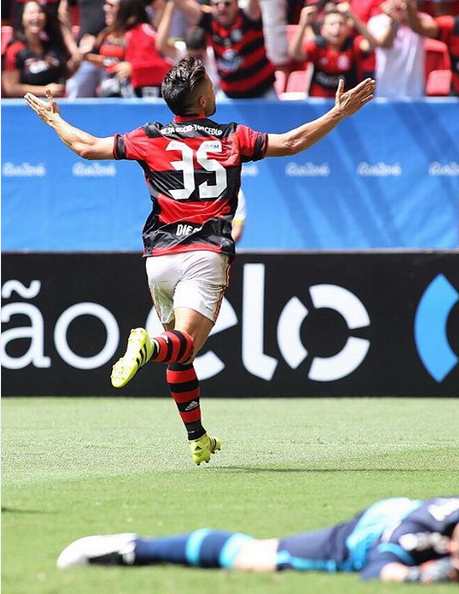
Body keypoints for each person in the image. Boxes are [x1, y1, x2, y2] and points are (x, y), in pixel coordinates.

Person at [25, 56, 375, 465]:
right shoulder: (233, 136)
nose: (214, 87)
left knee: (181, 353)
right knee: (182, 344)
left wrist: (53, 119)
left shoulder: (149, 135)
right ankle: (146, 345)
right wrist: (338, 112)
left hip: (159, 259)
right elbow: (293, 142)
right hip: (205, 253)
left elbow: (86, 147)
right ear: (205, 100)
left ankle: (197, 437)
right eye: (210, 82)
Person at [56, 496, 459, 583]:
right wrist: (424, 576)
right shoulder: (413, 533)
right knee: (252, 555)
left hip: (408, 508)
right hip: (367, 532)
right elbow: (377, 570)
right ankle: (134, 548)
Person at [171, 0, 278, 98]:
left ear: (236, 5)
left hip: (263, 92)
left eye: (227, 4)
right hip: (230, 96)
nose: (222, 8)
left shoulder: (249, 17)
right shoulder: (208, 22)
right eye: (216, 4)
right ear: (211, 7)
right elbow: (181, 4)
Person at [66, 0, 171, 98]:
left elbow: (163, 66)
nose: (106, 8)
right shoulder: (109, 34)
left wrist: (133, 68)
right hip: (113, 95)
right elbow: (114, 63)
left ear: (126, 9)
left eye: (111, 6)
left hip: (138, 99)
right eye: (106, 4)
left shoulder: (142, 31)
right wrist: (87, 57)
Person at [290, 3, 377, 98]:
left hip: (348, 102)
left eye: (341, 24)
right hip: (318, 101)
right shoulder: (317, 45)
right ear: (322, 29)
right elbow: (295, 54)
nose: (336, 28)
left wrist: (352, 16)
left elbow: (372, 45)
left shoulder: (353, 44)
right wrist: (303, 23)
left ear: (348, 28)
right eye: (332, 24)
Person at [2, 0, 73, 98]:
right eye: (31, 13)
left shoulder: (53, 46)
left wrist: (78, 58)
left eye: (40, 12)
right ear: (22, 18)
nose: (36, 17)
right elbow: (10, 88)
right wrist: (44, 90)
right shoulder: (14, 50)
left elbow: (65, 73)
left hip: (55, 103)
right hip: (26, 104)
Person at [368, 0, 428, 98]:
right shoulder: (376, 21)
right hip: (385, 94)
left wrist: (410, 11)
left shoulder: (423, 19)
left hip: (415, 94)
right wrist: (394, 23)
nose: (399, 3)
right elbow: (385, 44)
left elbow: (422, 29)